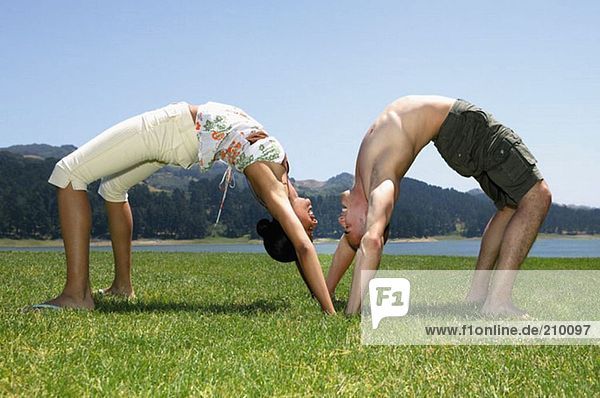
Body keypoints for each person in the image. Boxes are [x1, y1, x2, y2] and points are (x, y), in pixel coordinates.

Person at [34, 101, 335, 314]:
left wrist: (329, 313)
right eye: (312, 228)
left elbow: (303, 250)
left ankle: (76, 294)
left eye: (307, 228)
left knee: (68, 173)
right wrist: (318, 292)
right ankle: (122, 288)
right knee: (113, 189)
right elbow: (301, 251)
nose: (314, 221)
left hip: (172, 129)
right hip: (181, 140)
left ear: (287, 223)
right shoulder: (283, 179)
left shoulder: (271, 189)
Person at [325, 95, 552, 315]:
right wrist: (352, 311)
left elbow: (354, 241)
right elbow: (371, 241)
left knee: (509, 205)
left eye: (345, 224)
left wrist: (325, 293)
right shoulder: (380, 184)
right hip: (459, 124)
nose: (341, 221)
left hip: (450, 130)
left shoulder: (361, 181)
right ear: (370, 216)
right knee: (538, 196)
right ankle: (498, 303)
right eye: (347, 228)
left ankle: (478, 296)